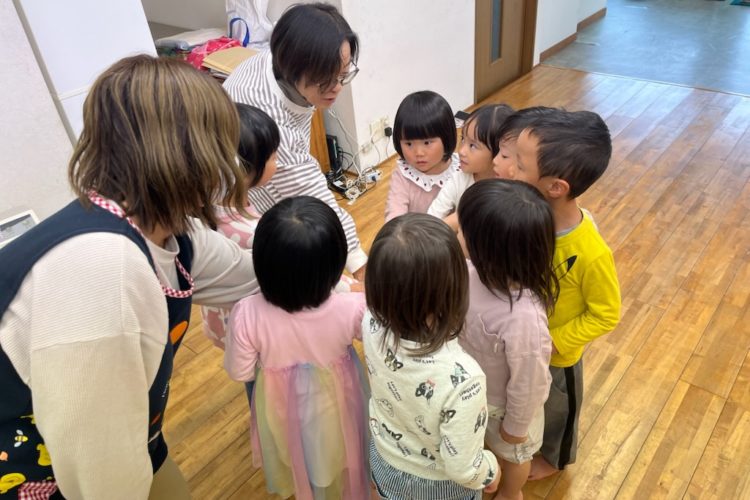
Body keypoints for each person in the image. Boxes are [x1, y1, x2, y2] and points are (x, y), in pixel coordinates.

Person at [0, 55, 258, 499]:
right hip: (39, 473)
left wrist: (332, 270)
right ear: (192, 152)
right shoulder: (102, 274)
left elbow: (250, 274)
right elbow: (100, 474)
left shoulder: (173, 231)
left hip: (131, 437)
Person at [495, 109, 621, 480]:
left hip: (558, 355)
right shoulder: (529, 220)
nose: (509, 169)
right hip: (523, 340)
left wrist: (555, 343)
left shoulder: (591, 252)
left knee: (557, 410)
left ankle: (554, 458)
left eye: (520, 165)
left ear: (555, 187)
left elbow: (605, 314)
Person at [224, 196, 369, 500]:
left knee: (298, 458)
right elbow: (377, 345)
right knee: (338, 453)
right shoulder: (353, 308)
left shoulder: (247, 313)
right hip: (340, 405)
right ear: (334, 265)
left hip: (281, 411)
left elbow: (240, 371)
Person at [223, 2, 367, 280]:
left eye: (343, 74)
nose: (337, 87)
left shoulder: (282, 58)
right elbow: (314, 197)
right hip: (238, 206)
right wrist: (359, 266)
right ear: (292, 66)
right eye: (325, 79)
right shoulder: (272, 122)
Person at [364, 213, 501, 499]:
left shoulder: (370, 322)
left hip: (384, 457)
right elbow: (464, 469)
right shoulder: (465, 379)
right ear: (454, 290)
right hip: (439, 485)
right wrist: (490, 470)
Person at [457, 179, 558, 500]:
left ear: (489, 250)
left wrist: (515, 427)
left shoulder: (524, 318)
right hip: (472, 393)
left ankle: (511, 493)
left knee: (515, 457)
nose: (457, 234)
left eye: (464, 231)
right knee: (483, 443)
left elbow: (530, 382)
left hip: (507, 409)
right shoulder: (470, 271)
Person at [200, 103, 279, 351]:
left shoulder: (205, 207)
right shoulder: (251, 232)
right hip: (249, 330)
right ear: (242, 169)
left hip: (220, 321)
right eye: (273, 156)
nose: (277, 160)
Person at [427, 104, 514, 230]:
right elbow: (432, 218)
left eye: (473, 146)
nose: (461, 151)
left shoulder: (511, 190)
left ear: (499, 152)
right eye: (463, 139)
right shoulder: (459, 179)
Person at [384, 91, 460, 222]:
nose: (418, 153)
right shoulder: (403, 175)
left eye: (427, 142)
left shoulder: (461, 170)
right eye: (409, 144)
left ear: (446, 137)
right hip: (414, 234)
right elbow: (394, 214)